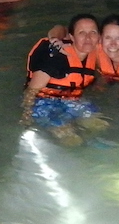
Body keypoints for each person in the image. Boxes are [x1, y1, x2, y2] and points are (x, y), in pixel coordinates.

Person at [23, 14, 107, 145]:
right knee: (72, 140)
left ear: (99, 36)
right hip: (44, 103)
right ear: (71, 37)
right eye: (82, 33)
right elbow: (32, 90)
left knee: (100, 125)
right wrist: (26, 114)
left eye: (93, 32)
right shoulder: (57, 57)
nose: (88, 38)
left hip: (71, 100)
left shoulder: (94, 54)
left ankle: (93, 144)